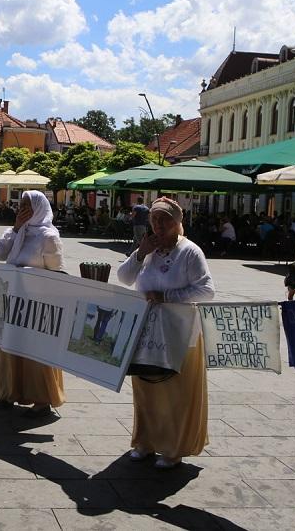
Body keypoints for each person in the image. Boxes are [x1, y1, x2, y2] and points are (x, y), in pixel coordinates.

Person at [117, 197, 215, 469]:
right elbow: (124, 278)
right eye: (154, 219)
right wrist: (139, 252)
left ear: (177, 222)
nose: (159, 225)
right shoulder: (148, 250)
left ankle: (173, 447)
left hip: (179, 333)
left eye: (165, 219)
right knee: (147, 389)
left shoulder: (190, 252)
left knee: (174, 393)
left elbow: (206, 290)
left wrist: (167, 296)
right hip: (146, 332)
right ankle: (145, 441)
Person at [0, 190, 66, 419]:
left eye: (27, 207)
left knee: (35, 353)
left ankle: (41, 401)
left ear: (39, 208)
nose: (22, 210)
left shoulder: (49, 237)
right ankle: (7, 393)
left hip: (37, 305)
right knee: (8, 347)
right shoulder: (18, 232)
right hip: (12, 301)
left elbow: (57, 273)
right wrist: (14, 228)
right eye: (20, 206)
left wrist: (30, 274)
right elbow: (0, 254)